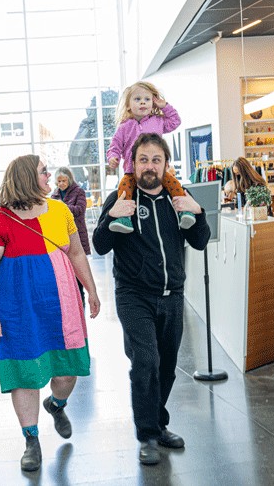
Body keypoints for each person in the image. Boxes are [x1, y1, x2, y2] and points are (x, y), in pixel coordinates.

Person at [0, 155, 101, 472]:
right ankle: (31, 440)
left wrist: (93, 289)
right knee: (25, 375)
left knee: (66, 372)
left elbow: (75, 252)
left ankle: (56, 404)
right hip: (17, 311)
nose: (49, 176)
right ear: (26, 178)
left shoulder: (60, 211)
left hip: (62, 306)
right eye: (43, 171)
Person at [92, 133, 210, 466]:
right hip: (133, 296)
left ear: (166, 165)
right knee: (145, 362)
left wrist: (198, 211)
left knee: (168, 368)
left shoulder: (179, 198)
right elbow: (99, 246)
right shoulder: (121, 198)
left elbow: (201, 241)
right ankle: (146, 435)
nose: (149, 166)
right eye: (143, 159)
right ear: (133, 163)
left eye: (156, 160)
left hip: (173, 297)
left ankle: (157, 424)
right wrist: (112, 216)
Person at [107, 81, 193, 234]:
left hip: (156, 172)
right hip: (130, 171)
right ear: (128, 105)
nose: (142, 102)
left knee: (174, 184)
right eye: (137, 99)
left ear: (152, 103)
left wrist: (164, 106)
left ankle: (184, 211)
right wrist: (113, 157)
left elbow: (175, 122)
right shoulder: (124, 127)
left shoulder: (158, 121)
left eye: (147, 99)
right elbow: (115, 145)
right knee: (124, 190)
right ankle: (124, 218)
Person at [50, 167, 91, 304]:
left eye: (64, 180)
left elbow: (80, 210)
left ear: (69, 179)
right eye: (59, 181)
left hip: (77, 234)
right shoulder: (54, 195)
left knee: (79, 273)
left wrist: (63, 207)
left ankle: (81, 302)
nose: (61, 183)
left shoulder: (79, 191)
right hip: (61, 238)